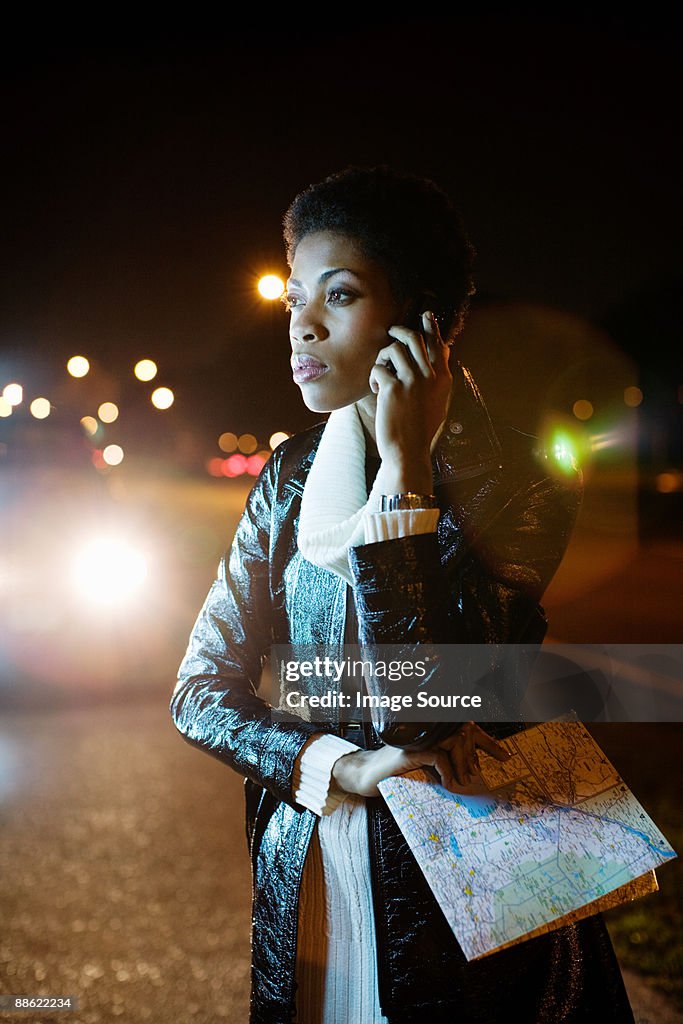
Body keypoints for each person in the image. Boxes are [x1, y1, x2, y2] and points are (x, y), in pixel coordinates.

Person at [170, 166, 636, 1023]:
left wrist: (405, 481)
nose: (301, 326)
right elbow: (199, 692)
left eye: (337, 296)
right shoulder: (288, 476)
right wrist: (336, 765)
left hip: (475, 902)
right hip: (313, 872)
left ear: (421, 322)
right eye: (293, 300)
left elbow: (424, 710)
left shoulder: (523, 480)